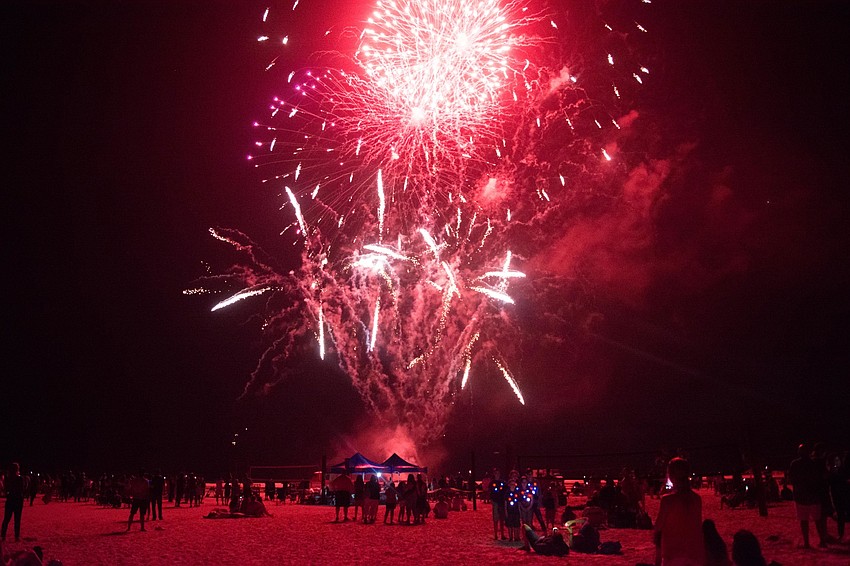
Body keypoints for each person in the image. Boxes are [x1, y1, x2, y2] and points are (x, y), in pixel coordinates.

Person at [653, 457, 703, 566]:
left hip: (673, 554)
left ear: (671, 475)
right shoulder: (696, 499)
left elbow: (658, 527)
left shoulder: (667, 500)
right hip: (694, 554)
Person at [787, 443, 828, 548]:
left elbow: (792, 479)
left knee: (804, 520)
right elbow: (820, 479)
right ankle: (822, 540)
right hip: (813, 496)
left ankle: (806, 542)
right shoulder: (813, 464)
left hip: (801, 496)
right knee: (817, 520)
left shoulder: (795, 464)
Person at [1, 463, 24, 542]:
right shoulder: (20, 479)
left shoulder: (8, 479)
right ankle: (16, 536)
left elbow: (6, 489)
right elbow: (22, 489)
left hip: (10, 499)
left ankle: (3, 536)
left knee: (6, 519)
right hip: (18, 500)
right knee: (17, 519)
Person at [489, 469, 507, 540]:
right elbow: (490, 492)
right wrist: (492, 501)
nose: (497, 475)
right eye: (496, 473)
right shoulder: (492, 483)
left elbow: (505, 491)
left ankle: (502, 534)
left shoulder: (502, 482)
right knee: (495, 519)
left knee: (501, 519)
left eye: (498, 473)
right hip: (495, 502)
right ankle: (496, 534)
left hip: (501, 502)